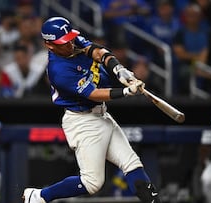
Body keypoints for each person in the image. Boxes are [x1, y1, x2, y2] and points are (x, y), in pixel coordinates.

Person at [22, 16, 161, 203]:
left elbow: (97, 51)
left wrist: (118, 69)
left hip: (102, 114)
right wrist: (126, 92)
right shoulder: (58, 70)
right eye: (64, 42)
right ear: (50, 45)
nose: (70, 44)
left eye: (70, 38)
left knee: (133, 165)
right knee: (92, 183)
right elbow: (93, 93)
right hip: (83, 121)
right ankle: (39, 196)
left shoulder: (70, 41)